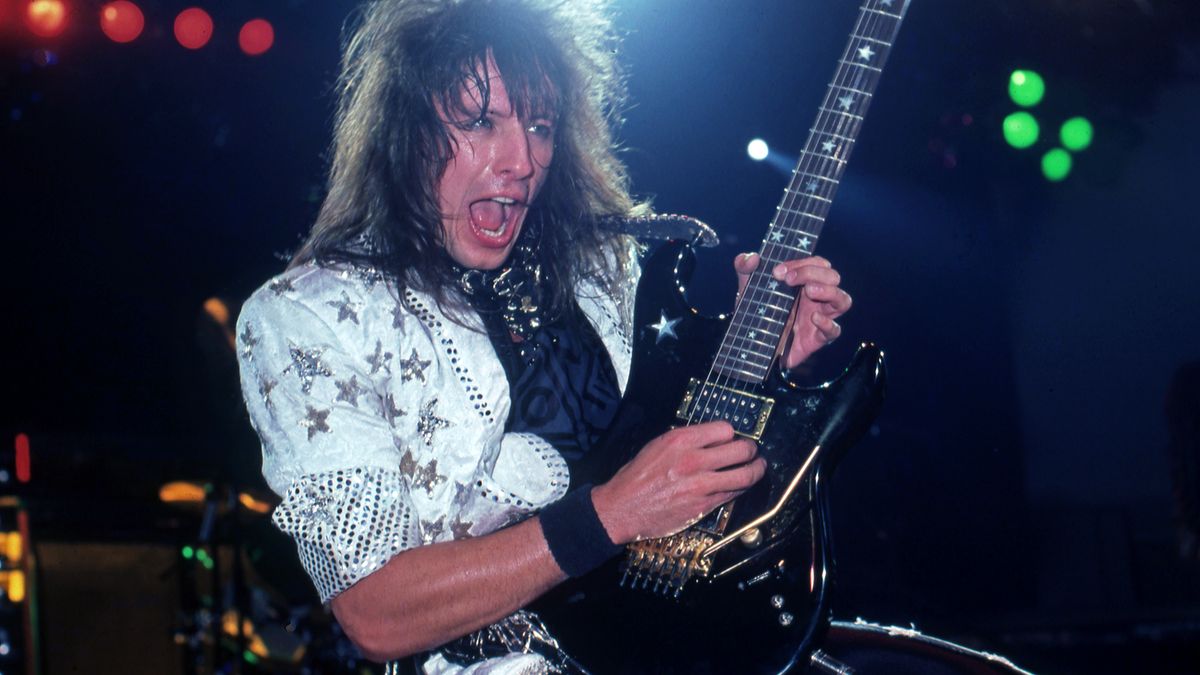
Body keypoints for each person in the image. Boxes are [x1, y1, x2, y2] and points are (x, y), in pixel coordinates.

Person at [235, 0, 852, 672]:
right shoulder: (306, 316)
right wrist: (611, 513)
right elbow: (376, 613)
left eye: (540, 125)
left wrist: (758, 363)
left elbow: (673, 466)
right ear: (404, 129)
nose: (523, 159)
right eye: (481, 121)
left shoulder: (603, 268)